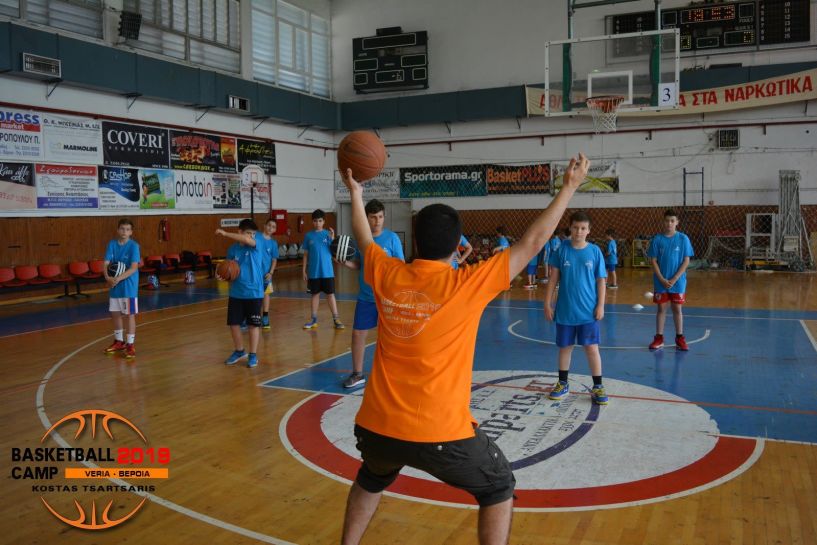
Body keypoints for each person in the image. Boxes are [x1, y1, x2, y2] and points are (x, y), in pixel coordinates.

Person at [338, 153, 590, 545]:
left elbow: (363, 237)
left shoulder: (387, 274)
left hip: (375, 426)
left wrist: (355, 193)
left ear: (415, 240)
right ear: (458, 246)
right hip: (440, 434)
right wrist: (569, 186)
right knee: (497, 487)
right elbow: (534, 241)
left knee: (372, 476)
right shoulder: (466, 285)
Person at [544, 211, 608, 405]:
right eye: (575, 227)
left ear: (589, 230)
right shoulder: (561, 249)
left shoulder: (595, 252)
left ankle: (598, 386)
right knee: (565, 348)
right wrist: (547, 303)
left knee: (591, 348)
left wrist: (601, 305)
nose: (579, 231)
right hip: (565, 311)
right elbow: (553, 279)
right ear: (570, 228)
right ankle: (563, 383)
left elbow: (601, 281)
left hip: (588, 312)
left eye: (583, 228)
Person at [339, 199, 405, 388]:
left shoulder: (392, 238)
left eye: (381, 217)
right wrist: (345, 263)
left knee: (391, 337)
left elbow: (400, 265)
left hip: (388, 298)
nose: (377, 221)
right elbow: (360, 265)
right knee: (358, 334)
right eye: (373, 217)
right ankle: (357, 373)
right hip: (366, 297)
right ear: (366, 218)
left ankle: (393, 373)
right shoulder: (362, 241)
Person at [216, 219, 265, 368]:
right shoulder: (233, 250)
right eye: (248, 233)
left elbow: (246, 240)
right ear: (240, 231)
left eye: (253, 234)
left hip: (254, 292)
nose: (251, 236)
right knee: (234, 323)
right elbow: (228, 268)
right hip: (236, 292)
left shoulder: (257, 244)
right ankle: (239, 351)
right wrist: (221, 274)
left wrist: (224, 233)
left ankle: (253, 354)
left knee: (253, 325)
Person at [647, 209, 694, 351]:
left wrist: (674, 278)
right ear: (663, 222)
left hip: (678, 282)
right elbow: (653, 261)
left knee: (677, 308)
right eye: (667, 220)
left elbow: (686, 261)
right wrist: (661, 278)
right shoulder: (657, 239)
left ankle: (680, 338)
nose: (669, 223)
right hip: (660, 281)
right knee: (661, 308)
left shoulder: (683, 238)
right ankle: (659, 338)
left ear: (677, 222)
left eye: (672, 221)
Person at [103, 218, 141, 359]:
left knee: (130, 315)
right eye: (122, 229)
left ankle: (130, 344)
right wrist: (107, 277)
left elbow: (133, 268)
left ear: (131, 232)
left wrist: (118, 278)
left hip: (128, 286)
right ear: (118, 230)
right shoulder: (112, 244)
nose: (124, 232)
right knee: (115, 313)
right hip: (114, 284)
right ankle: (119, 341)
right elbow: (106, 263)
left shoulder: (134, 246)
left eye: (127, 229)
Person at [302, 209, 344, 330]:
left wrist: (333, 237)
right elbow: (305, 254)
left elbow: (334, 251)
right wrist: (303, 270)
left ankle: (336, 319)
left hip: (327, 272)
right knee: (314, 295)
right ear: (312, 222)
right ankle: (313, 319)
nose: (317, 223)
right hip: (313, 273)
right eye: (315, 221)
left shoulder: (328, 234)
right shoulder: (308, 236)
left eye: (320, 220)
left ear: (324, 221)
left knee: (330, 295)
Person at [260, 218, 279, 329]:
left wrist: (271, 272)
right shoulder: (257, 237)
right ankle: (252, 316)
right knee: (253, 296)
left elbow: (274, 259)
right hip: (254, 273)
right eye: (269, 225)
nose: (270, 228)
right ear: (264, 225)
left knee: (266, 294)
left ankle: (265, 317)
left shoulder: (273, 243)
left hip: (266, 274)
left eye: (273, 227)